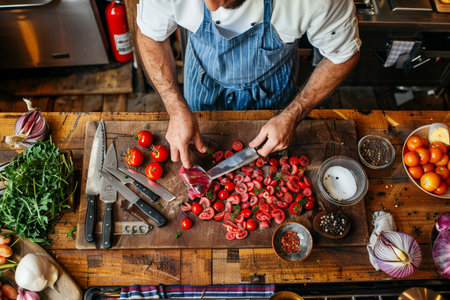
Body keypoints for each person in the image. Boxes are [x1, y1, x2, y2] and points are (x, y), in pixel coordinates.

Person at [136, 0, 361, 168]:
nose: (213, 7)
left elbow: (343, 55)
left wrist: (293, 113)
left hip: (272, 86)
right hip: (203, 81)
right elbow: (149, 37)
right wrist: (175, 108)